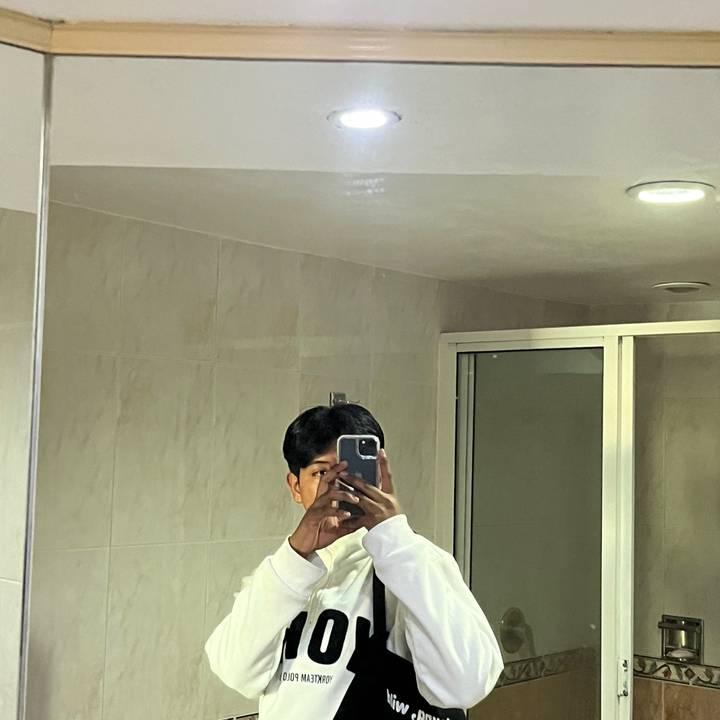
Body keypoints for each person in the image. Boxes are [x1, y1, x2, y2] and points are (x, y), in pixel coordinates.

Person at [205, 404, 503, 719]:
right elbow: (235, 672)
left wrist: (393, 537)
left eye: (352, 473)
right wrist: (297, 552)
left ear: (379, 476)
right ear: (295, 487)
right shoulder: (282, 573)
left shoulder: (412, 562)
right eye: (322, 473)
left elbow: (466, 684)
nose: (338, 486)